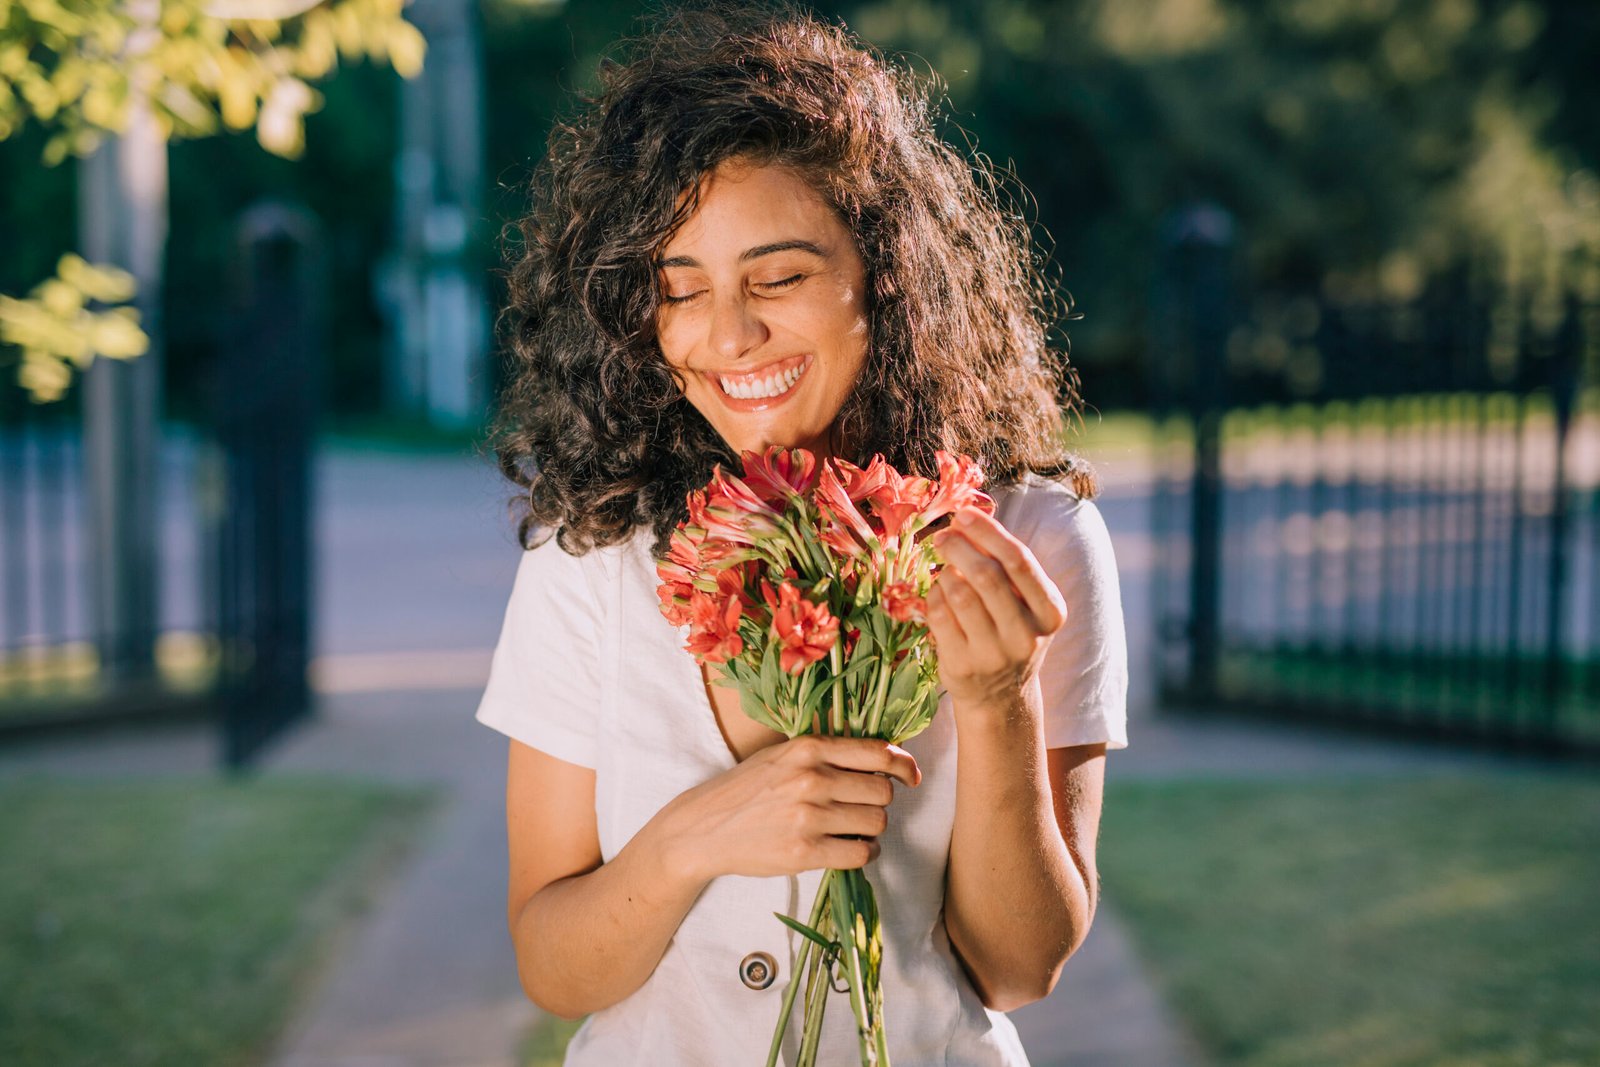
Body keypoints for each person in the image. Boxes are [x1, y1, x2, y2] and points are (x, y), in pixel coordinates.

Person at [474, 4, 1129, 1064]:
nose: (726, 336)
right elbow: (554, 965)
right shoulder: (592, 552)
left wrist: (999, 699)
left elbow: (1018, 967)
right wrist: (697, 834)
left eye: (776, 277)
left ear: (887, 273)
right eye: (678, 290)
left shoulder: (1031, 535)